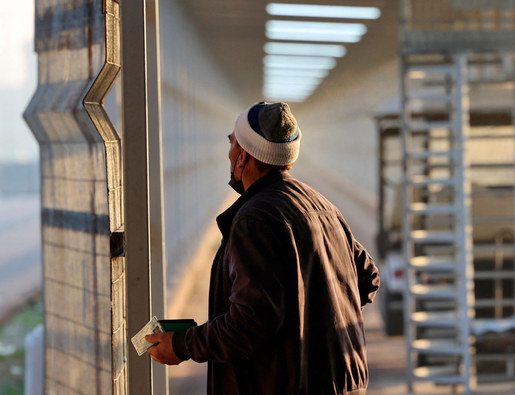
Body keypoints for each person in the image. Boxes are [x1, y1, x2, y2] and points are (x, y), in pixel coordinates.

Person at [146, 101, 380, 394]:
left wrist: (182, 344)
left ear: (243, 156)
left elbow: (250, 322)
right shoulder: (323, 206)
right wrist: (314, 320)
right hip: (343, 382)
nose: (228, 152)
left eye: (232, 143)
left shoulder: (255, 219)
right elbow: (367, 276)